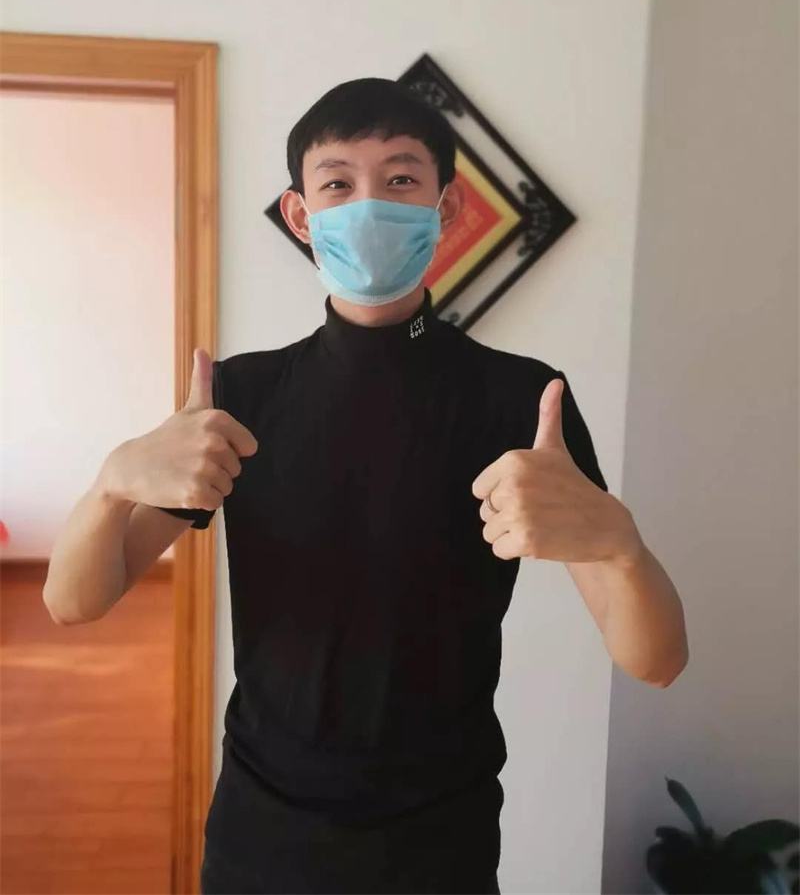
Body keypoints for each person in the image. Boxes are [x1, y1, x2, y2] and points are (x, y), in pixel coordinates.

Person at [44, 78, 680, 894]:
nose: (369, 204)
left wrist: (620, 544)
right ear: (301, 214)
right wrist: (110, 484)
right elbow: (73, 601)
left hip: (438, 840)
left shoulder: (523, 401)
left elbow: (656, 662)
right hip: (261, 831)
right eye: (338, 183)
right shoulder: (241, 395)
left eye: (401, 179)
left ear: (446, 208)